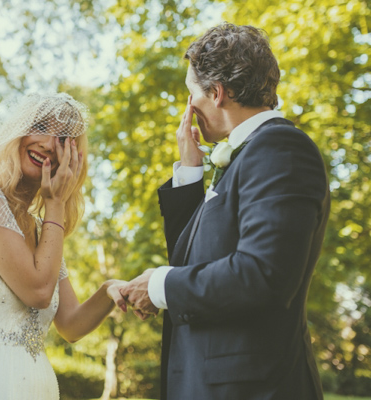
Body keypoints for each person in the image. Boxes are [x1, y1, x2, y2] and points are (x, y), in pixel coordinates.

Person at [120, 23, 330, 399]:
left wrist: (158, 286)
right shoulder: (246, 157)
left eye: (191, 94)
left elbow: (263, 275)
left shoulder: (280, 149)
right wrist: (190, 173)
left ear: (217, 93)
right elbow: (191, 259)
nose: (188, 107)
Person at [0, 93, 126, 399]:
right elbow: (39, 292)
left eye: (64, 138)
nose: (48, 144)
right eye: (41, 126)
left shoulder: (45, 232)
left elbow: (70, 325)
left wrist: (109, 290)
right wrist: (55, 204)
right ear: (18, 130)